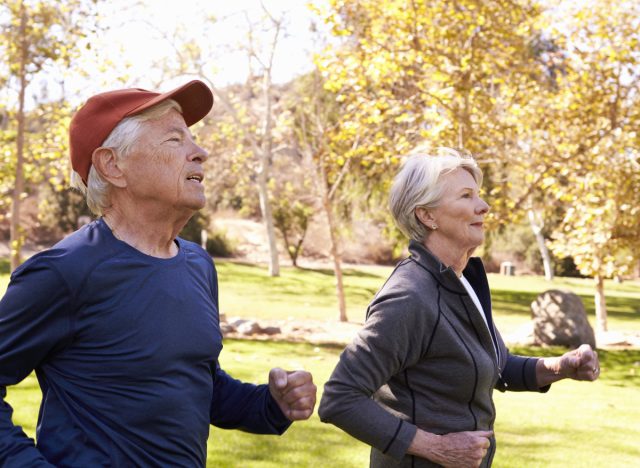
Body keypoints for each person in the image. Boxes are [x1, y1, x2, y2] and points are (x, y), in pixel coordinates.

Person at [0, 80, 316, 467]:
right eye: (174, 141)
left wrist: (270, 405)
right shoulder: (64, 272)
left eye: (193, 140)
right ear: (113, 165)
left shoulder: (198, 265)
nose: (200, 152)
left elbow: (194, 384)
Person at [318, 148, 599, 468]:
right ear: (427, 215)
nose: (484, 206)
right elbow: (339, 398)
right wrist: (436, 447)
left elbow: (496, 366)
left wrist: (561, 366)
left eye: (478, 194)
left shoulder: (460, 282)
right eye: (466, 196)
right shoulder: (409, 297)